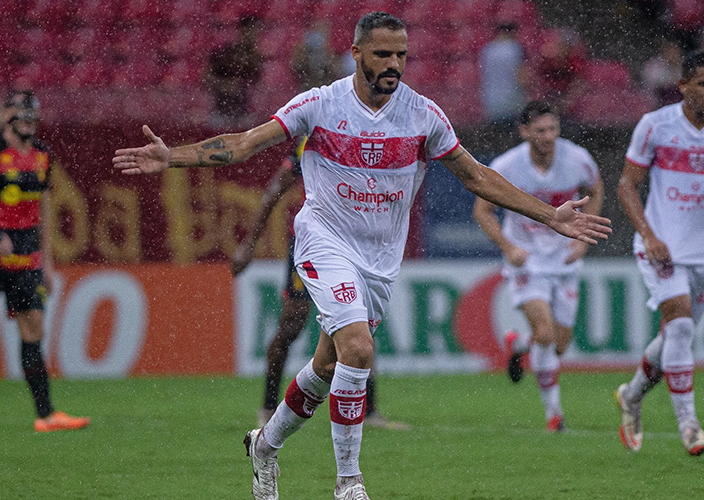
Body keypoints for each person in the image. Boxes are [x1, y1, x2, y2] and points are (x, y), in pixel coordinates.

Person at [113, 12, 612, 500]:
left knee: (326, 366)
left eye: (401, 55)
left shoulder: (423, 115)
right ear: (356, 53)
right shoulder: (320, 104)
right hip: (323, 239)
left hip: (379, 260)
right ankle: (349, 483)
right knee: (357, 348)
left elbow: (476, 176)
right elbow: (244, 144)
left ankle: (264, 446)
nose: (393, 63)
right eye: (382, 54)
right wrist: (173, 156)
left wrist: (550, 216)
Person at [614, 51, 704, 457]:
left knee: (674, 336)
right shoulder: (655, 126)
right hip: (659, 247)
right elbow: (627, 185)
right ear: (683, 86)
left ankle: (631, 394)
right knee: (680, 327)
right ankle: (690, 427)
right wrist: (649, 235)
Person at [231, 137, 409, 431]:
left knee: (360, 324)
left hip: (355, 246)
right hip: (316, 244)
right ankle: (268, 406)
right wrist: (249, 244)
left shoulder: (375, 138)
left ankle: (368, 411)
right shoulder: (317, 136)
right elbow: (277, 187)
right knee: (292, 323)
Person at [473, 101, 604, 432]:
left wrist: (581, 241)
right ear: (524, 132)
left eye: (553, 129)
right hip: (527, 262)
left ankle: (519, 344)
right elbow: (482, 211)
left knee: (558, 345)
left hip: (565, 260)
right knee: (545, 334)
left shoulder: (577, 159)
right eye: (540, 130)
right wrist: (509, 247)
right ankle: (554, 416)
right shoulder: (507, 166)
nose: (548, 136)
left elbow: (596, 189)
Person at [0, 90, 90, 433]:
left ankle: (45, 416)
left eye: (33, 117)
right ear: (7, 117)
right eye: (23, 116)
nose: (29, 122)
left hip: (27, 260)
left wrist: (47, 262)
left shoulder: (43, 155)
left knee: (33, 331)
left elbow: (43, 208)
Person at [203, 16, 263, 128]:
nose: (252, 36)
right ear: (240, 32)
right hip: (220, 114)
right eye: (249, 32)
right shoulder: (224, 54)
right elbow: (205, 80)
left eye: (255, 33)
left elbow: (259, 85)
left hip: (244, 115)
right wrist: (225, 85)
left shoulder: (256, 58)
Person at [478, 22, 526, 128]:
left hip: (491, 100)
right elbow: (521, 76)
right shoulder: (514, 48)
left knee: (497, 132)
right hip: (511, 99)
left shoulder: (487, 50)